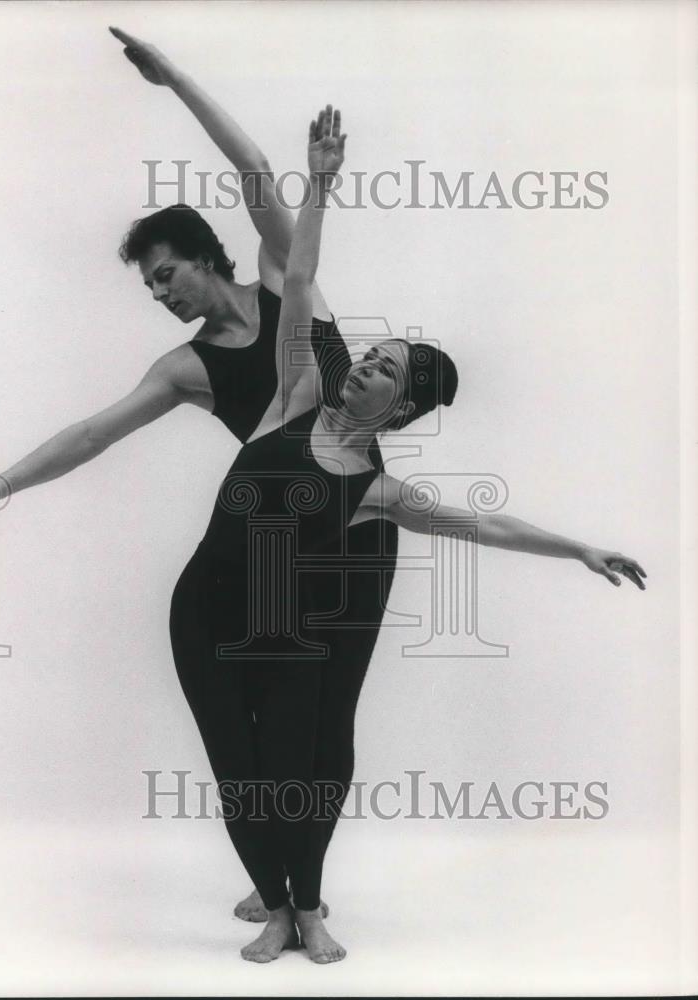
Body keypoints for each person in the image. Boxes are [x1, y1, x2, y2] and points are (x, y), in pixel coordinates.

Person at [0, 29, 397, 927]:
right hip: (278, 545)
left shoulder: (287, 285)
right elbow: (91, 433)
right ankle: (278, 879)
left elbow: (257, 171)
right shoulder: (184, 369)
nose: (162, 293)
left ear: (207, 260)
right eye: (150, 288)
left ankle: (308, 893)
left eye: (166, 275)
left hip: (364, 528)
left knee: (332, 723)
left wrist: (173, 77)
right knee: (265, 722)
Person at [160, 105, 647, 964]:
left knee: (292, 766)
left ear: (404, 406)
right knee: (234, 765)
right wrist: (319, 185)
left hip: (279, 623)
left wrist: (578, 547)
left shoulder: (378, 490)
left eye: (384, 369)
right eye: (371, 356)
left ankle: (301, 908)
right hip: (204, 608)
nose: (367, 367)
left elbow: (485, 524)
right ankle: (274, 904)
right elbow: (299, 282)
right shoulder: (292, 396)